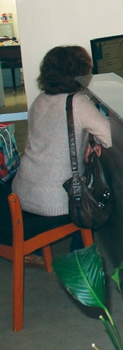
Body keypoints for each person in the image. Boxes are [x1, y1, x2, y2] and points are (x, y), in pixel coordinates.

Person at [11, 46, 112, 256]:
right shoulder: (77, 103)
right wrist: (95, 142)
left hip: (21, 193)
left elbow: (54, 139)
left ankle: (40, 251)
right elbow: (109, 138)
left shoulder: (39, 100)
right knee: (97, 199)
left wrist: (89, 141)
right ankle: (79, 257)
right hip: (55, 201)